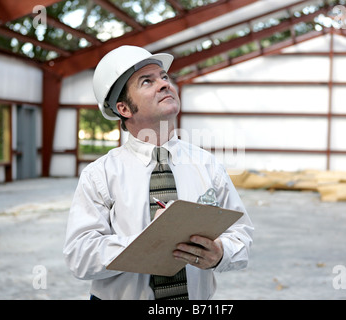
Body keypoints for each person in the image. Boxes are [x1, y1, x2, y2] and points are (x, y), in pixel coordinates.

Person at [63, 45, 254, 300]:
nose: (165, 84)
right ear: (124, 109)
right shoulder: (100, 176)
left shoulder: (208, 166)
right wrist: (150, 242)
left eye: (164, 77)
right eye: (147, 81)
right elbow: (80, 257)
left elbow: (241, 235)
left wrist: (220, 253)